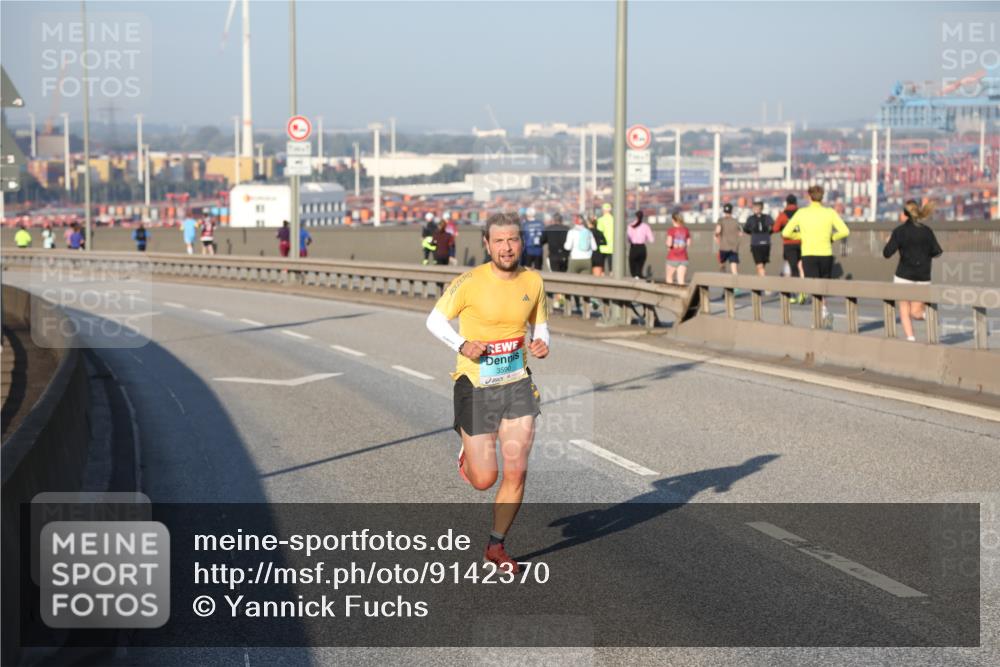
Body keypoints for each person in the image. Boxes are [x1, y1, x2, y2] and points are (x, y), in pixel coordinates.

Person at [424, 211, 550, 573]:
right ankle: (469, 449)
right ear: (487, 244)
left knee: (517, 469)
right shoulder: (469, 282)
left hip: (516, 382)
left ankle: (496, 545)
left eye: (512, 239)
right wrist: (462, 344)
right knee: (485, 479)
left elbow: (540, 326)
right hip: (475, 385)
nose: (506, 247)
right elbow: (434, 321)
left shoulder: (533, 280)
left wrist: (541, 343)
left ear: (521, 242)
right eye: (499, 241)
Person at [781, 184, 850, 329]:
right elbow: (844, 231)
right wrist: (832, 237)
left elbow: (786, 233)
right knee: (822, 287)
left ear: (809, 196)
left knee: (813, 288)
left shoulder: (801, 213)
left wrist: (801, 235)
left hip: (809, 254)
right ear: (822, 197)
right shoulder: (830, 212)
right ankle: (823, 312)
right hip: (826, 254)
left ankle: (817, 320)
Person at [882, 200, 942, 342]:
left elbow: (887, 253)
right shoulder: (927, 231)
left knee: (904, 309)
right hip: (923, 276)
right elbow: (937, 253)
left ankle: (911, 338)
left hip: (903, 275)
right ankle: (929, 316)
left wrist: (889, 240)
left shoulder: (899, 231)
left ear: (905, 214)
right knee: (916, 312)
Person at [772, 194, 805, 304]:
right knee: (801, 268)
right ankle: (803, 291)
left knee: (792, 268)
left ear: (786, 202)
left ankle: (794, 294)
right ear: (795, 203)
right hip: (802, 243)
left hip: (789, 244)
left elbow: (775, 228)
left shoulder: (783, 215)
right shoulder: (801, 214)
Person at [742, 200, 774, 278]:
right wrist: (767, 234)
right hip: (766, 243)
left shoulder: (751, 218)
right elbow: (773, 227)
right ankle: (760, 285)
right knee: (761, 265)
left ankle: (765, 286)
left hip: (756, 244)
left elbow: (745, 229)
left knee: (759, 265)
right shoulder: (767, 217)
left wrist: (752, 233)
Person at [665, 211, 691, 285]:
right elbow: (688, 243)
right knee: (681, 281)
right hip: (683, 258)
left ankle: (670, 295)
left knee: (669, 278)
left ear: (673, 220)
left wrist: (668, 245)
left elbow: (669, 243)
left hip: (672, 257)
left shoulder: (671, 230)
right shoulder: (686, 230)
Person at [714, 203, 741, 275]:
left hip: (723, 247)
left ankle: (724, 281)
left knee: (722, 264)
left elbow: (718, 231)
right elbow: (740, 233)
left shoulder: (721, 220)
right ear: (731, 211)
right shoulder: (735, 221)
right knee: (734, 266)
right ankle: (736, 284)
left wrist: (716, 237)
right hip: (734, 248)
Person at [626, 210, 654, 279]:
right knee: (640, 264)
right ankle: (639, 275)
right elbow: (651, 239)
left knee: (632, 264)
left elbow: (629, 238)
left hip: (633, 247)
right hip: (642, 247)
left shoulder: (630, 226)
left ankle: (635, 276)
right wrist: (644, 238)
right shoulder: (646, 226)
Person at [595, 203, 614, 273]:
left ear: (603, 210)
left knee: (601, 265)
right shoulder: (614, 220)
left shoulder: (600, 220)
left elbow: (599, 232)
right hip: (612, 246)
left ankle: (602, 276)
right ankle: (611, 274)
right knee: (611, 266)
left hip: (602, 246)